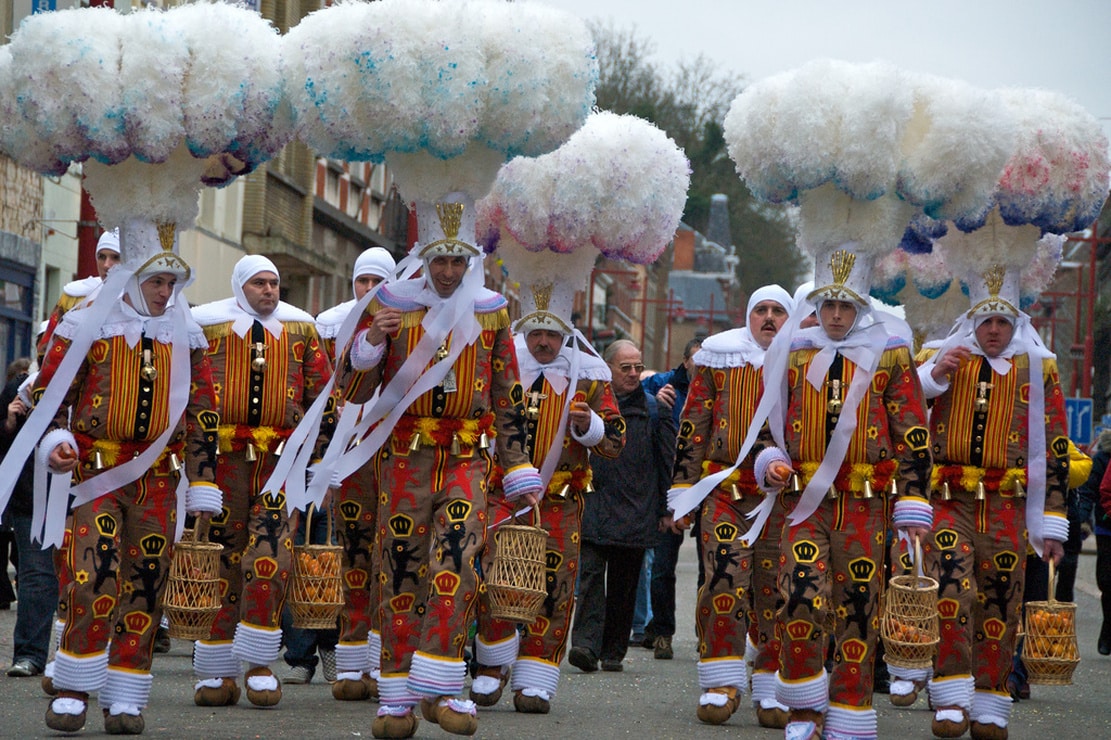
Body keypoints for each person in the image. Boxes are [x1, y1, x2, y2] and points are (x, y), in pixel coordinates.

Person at [335, 196, 542, 739]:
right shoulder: (390, 303)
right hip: (402, 457)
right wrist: (372, 341)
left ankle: (445, 684)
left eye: (458, 262)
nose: (449, 273)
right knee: (400, 565)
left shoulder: (492, 309)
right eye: (440, 262)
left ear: (470, 261)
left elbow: (508, 393)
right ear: (423, 260)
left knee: (457, 559)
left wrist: (518, 466)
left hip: (467, 459)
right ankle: (398, 693)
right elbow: (352, 392)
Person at [34, 244, 220, 734]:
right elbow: (49, 393)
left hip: (158, 478)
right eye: (156, 282)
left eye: (171, 284)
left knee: (148, 581)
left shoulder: (188, 336)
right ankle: (74, 683)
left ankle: (125, 692)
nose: (164, 293)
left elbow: (203, 414)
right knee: (92, 573)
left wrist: (202, 480)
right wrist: (55, 442)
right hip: (95, 474)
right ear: (133, 280)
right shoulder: (85, 326)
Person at [758, 247, 933, 740]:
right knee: (798, 596)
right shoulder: (791, 349)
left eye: (845, 306)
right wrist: (770, 461)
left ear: (861, 307)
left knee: (858, 605)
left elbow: (913, 431)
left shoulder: (891, 353)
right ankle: (804, 708)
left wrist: (913, 500)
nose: (835, 315)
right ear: (815, 305)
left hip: (864, 503)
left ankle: (851, 711)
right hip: (802, 503)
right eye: (827, 305)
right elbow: (767, 426)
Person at [915, 263, 1069, 740]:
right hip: (949, 499)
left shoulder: (1040, 368)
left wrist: (1053, 521)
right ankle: (950, 695)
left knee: (1001, 601)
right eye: (987, 322)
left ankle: (989, 700)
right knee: (951, 590)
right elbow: (904, 417)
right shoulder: (940, 356)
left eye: (1004, 322)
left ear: (1017, 323)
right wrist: (933, 377)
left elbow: (1056, 446)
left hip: (1008, 504)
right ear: (972, 322)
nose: (995, 331)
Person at [470, 287, 624, 715]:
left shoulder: (590, 375)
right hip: (503, 493)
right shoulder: (504, 365)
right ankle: (494, 661)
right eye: (536, 332)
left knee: (555, 584)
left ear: (566, 335)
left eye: (552, 335)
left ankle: (536, 672)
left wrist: (590, 425)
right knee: (496, 574)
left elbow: (615, 440)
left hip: (562, 498)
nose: (543, 342)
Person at [190, 255, 335, 709]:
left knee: (270, 558)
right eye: (259, 284)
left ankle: (257, 662)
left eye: (274, 284)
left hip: (281, 464)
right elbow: (186, 394)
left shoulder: (301, 329)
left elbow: (323, 397)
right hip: (224, 461)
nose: (269, 291)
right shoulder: (206, 327)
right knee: (218, 560)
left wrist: (321, 460)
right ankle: (215, 667)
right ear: (240, 287)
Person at [666, 286, 791, 727]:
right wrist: (683, 490)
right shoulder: (718, 356)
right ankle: (720, 681)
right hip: (724, 492)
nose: (770, 318)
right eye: (762, 310)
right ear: (748, 315)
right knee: (723, 580)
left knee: (777, 590)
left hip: (783, 497)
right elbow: (694, 423)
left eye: (779, 311)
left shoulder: (803, 359)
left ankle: (773, 683)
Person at [281, 247, 396, 694]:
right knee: (332, 551)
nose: (368, 290)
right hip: (338, 452)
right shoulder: (328, 324)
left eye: (377, 282)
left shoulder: (412, 322)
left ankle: (376, 655)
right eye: (361, 281)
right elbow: (320, 393)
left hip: (388, 449)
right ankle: (317, 652)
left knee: (388, 551)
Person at [569, 339, 677, 675]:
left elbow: (665, 463)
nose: (633, 374)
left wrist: (665, 509)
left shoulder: (653, 411)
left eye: (637, 367)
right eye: (625, 367)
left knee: (624, 583)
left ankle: (613, 650)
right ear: (607, 368)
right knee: (588, 578)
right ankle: (584, 646)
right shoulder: (587, 405)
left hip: (636, 508)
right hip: (594, 504)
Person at [640, 337, 702, 661]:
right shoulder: (665, 383)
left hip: (707, 483)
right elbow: (628, 394)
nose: (701, 365)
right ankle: (662, 632)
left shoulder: (720, 386)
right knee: (663, 565)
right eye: (696, 359)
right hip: (671, 482)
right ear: (685, 361)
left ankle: (706, 634)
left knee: (712, 564)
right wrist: (651, 396)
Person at [3, 358, 59, 679]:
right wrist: (9, 422)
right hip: (32, 498)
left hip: (84, 492)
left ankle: (80, 657)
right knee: (36, 575)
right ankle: (30, 654)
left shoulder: (99, 381)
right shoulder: (23, 387)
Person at [36, 229, 121, 364]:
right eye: (101, 257)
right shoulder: (75, 296)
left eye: (115, 257)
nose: (106, 265)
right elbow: (46, 348)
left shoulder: (150, 302)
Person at [1093, 431, 1111, 655]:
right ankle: (1107, 629)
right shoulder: (1102, 460)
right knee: (1107, 582)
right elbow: (1105, 489)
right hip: (1107, 529)